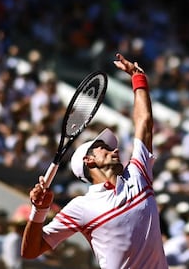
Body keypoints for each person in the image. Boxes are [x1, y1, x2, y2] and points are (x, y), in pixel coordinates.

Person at [21, 52, 168, 269]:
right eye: (103, 148)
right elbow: (31, 251)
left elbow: (144, 123)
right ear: (89, 161)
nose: (114, 149)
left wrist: (138, 79)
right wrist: (39, 210)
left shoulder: (137, 173)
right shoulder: (81, 207)